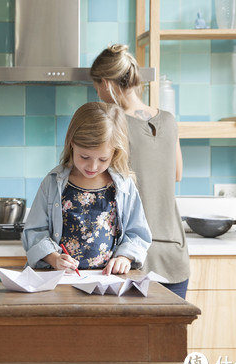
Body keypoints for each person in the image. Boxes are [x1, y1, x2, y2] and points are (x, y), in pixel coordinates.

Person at [90, 44, 189, 298]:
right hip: (174, 253)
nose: (98, 93)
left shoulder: (112, 123)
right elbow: (176, 174)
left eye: (97, 86)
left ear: (106, 82)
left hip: (132, 257)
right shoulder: (168, 119)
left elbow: (97, 180)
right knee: (170, 336)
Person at [22, 101, 152, 275]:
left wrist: (124, 258)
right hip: (60, 278)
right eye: (84, 157)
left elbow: (137, 233)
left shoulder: (123, 185)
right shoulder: (53, 183)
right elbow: (34, 231)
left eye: (103, 159)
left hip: (106, 280)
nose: (93, 166)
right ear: (72, 144)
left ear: (115, 152)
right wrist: (54, 258)